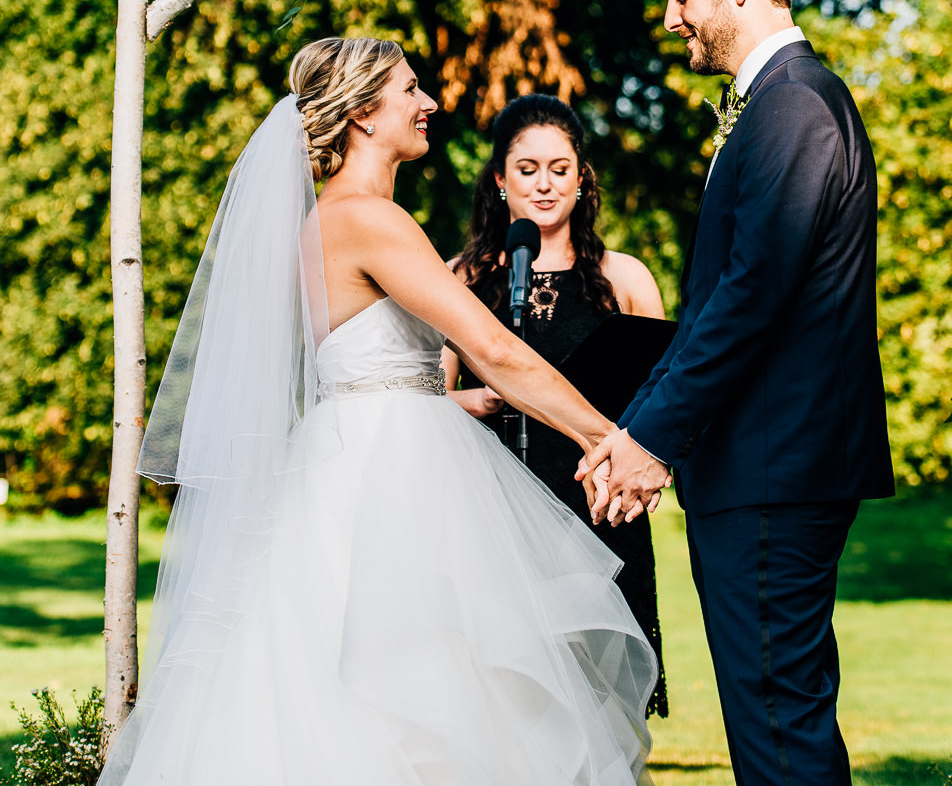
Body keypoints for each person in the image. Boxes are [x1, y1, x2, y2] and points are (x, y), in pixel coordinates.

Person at [99, 38, 657, 786]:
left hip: (353, 456)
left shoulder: (331, 219)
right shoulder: (367, 219)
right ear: (364, 113)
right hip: (390, 474)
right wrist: (611, 438)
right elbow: (493, 348)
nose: (428, 104)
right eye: (409, 90)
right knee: (425, 687)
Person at [581, 0, 895, 786]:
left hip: (775, 468)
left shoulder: (793, 106)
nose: (671, 16)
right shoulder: (779, 105)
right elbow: (720, 302)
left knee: (779, 733)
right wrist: (633, 427)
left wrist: (651, 441)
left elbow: (752, 300)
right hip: (767, 468)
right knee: (775, 726)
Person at [442, 94, 671, 716]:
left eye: (559, 168)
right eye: (527, 169)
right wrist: (482, 398)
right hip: (495, 510)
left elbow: (664, 395)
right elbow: (425, 398)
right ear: (500, 180)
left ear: (581, 178)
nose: (544, 185)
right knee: (509, 705)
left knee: (606, 703)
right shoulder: (460, 278)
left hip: (598, 505)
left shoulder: (624, 277)